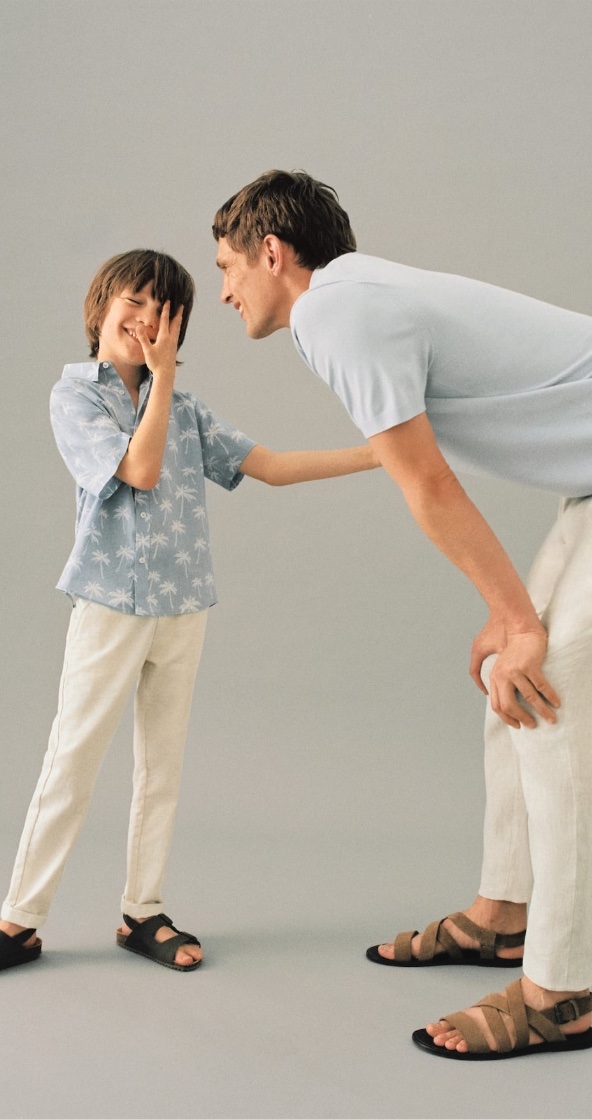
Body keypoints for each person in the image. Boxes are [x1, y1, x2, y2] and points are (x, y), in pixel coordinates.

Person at [212, 169, 592, 1060]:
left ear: (274, 252)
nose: (225, 289)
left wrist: (517, 615)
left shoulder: (336, 311)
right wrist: (508, 611)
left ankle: (565, 987)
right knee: (514, 680)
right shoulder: (353, 300)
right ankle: (505, 913)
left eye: (229, 265)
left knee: (549, 689)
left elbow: (425, 483)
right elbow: (416, 471)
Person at [0, 248, 377, 983]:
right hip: (110, 603)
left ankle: (143, 910)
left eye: (164, 310)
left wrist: (380, 456)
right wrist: (164, 379)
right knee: (71, 761)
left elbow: (265, 464)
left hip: (183, 604)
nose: (146, 319)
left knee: (161, 768)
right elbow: (137, 472)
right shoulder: (75, 396)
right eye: (135, 301)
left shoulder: (186, 409)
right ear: (102, 304)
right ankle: (19, 918)